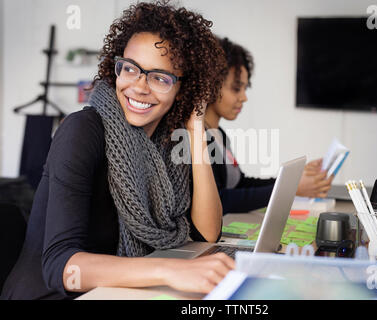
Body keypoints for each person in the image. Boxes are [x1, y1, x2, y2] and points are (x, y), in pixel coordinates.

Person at [1, 2, 234, 300]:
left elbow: (207, 233)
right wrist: (168, 271)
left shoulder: (170, 143)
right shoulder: (82, 131)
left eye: (160, 78)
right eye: (130, 68)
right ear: (117, 68)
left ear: (182, 90)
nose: (139, 86)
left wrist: (196, 127)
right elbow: (60, 267)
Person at [204, 37, 333, 214]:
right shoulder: (197, 139)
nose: (244, 97)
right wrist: (290, 189)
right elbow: (220, 200)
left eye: (244, 88)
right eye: (236, 88)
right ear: (210, 86)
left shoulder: (218, 134)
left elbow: (239, 184)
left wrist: (292, 180)